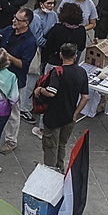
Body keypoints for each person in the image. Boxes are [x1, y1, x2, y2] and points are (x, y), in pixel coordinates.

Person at [35, 43, 88, 172]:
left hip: (54, 117)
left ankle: (50, 172)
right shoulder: (81, 72)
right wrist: (75, 114)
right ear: (75, 56)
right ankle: (60, 168)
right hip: (69, 117)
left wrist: (40, 90)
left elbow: (51, 92)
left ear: (60, 55)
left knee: (50, 146)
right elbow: (85, 97)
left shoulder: (58, 72)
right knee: (62, 144)